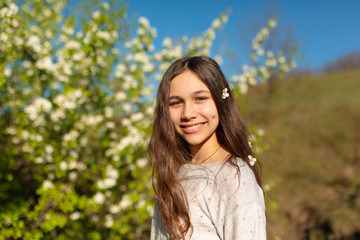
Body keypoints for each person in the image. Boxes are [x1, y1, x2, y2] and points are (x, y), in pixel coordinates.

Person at [149, 56, 266, 240]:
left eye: (200, 98)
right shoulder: (176, 173)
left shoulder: (234, 178)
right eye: (176, 102)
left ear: (220, 101)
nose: (188, 114)